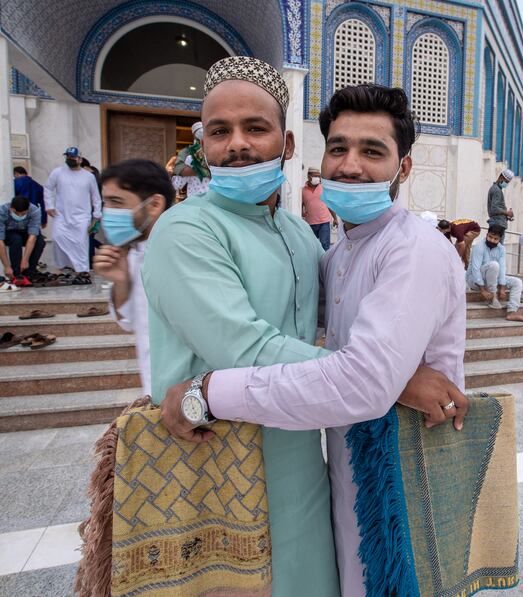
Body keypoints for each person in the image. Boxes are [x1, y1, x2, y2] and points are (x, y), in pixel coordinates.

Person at [160, 84, 470, 597]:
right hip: (344, 467)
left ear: (404, 167)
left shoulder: (412, 251)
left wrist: (209, 392)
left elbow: (364, 381)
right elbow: (341, 356)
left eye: (373, 152)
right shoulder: (340, 249)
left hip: (403, 475)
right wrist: (397, 379)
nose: (350, 165)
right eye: (339, 148)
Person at [140, 56, 342, 596]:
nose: (237, 145)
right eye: (219, 131)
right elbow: (247, 349)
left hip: (298, 456)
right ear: (201, 144)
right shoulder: (187, 230)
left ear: (288, 144)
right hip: (215, 462)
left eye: (255, 128)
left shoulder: (299, 236)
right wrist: (382, 378)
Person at [93, 160, 173, 395]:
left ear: (154, 204)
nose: (107, 212)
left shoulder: (181, 251)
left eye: (116, 203)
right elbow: (129, 321)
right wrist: (121, 282)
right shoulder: (132, 251)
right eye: (105, 202)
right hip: (154, 383)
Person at [44, 146, 102, 274]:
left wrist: (96, 215)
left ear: (80, 159)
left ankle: (82, 270)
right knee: (57, 238)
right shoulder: (57, 172)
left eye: (73, 157)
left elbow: (96, 197)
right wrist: (49, 206)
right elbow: (48, 188)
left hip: (82, 217)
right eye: (68, 157)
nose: (70, 159)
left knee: (80, 244)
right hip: (61, 215)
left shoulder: (88, 176)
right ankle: (61, 266)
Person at [466, 224, 523, 322]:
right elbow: (475, 270)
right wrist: (482, 290)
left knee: (517, 282)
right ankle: (493, 297)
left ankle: (512, 311)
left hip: (493, 277)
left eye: (495, 239)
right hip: (475, 281)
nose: (492, 240)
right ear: (487, 234)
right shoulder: (479, 247)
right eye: (490, 237)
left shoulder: (501, 249)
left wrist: (502, 288)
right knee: (494, 265)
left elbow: (502, 268)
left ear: (500, 239)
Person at [0, 196, 45, 286]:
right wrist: (6, 266)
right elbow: (0, 240)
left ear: (27, 209)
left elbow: (32, 236)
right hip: (10, 232)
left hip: (27, 232)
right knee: (16, 240)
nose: (20, 216)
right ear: (11, 209)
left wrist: (25, 261)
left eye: (23, 213)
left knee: (40, 241)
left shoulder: (34, 211)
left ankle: (29, 272)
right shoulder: (2, 211)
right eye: (17, 213)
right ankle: (16, 274)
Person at [171, 122, 211, 197]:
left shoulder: (190, 158)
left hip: (195, 201)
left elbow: (178, 184)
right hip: (212, 200)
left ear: (194, 137)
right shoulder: (216, 156)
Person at [302, 166, 337, 249]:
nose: (318, 178)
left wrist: (335, 218)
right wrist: (302, 213)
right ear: (309, 176)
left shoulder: (323, 188)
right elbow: (300, 205)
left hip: (324, 222)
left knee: (325, 245)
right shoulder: (303, 191)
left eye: (319, 176)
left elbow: (329, 204)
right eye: (315, 176)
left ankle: (325, 262)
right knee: (311, 246)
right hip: (310, 223)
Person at [487, 168, 514, 240]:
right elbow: (494, 208)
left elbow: (496, 209)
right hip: (497, 225)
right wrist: (507, 213)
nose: (506, 184)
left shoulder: (496, 189)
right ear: (501, 177)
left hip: (497, 223)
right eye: (506, 181)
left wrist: (506, 216)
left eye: (508, 182)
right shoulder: (497, 190)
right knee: (497, 248)